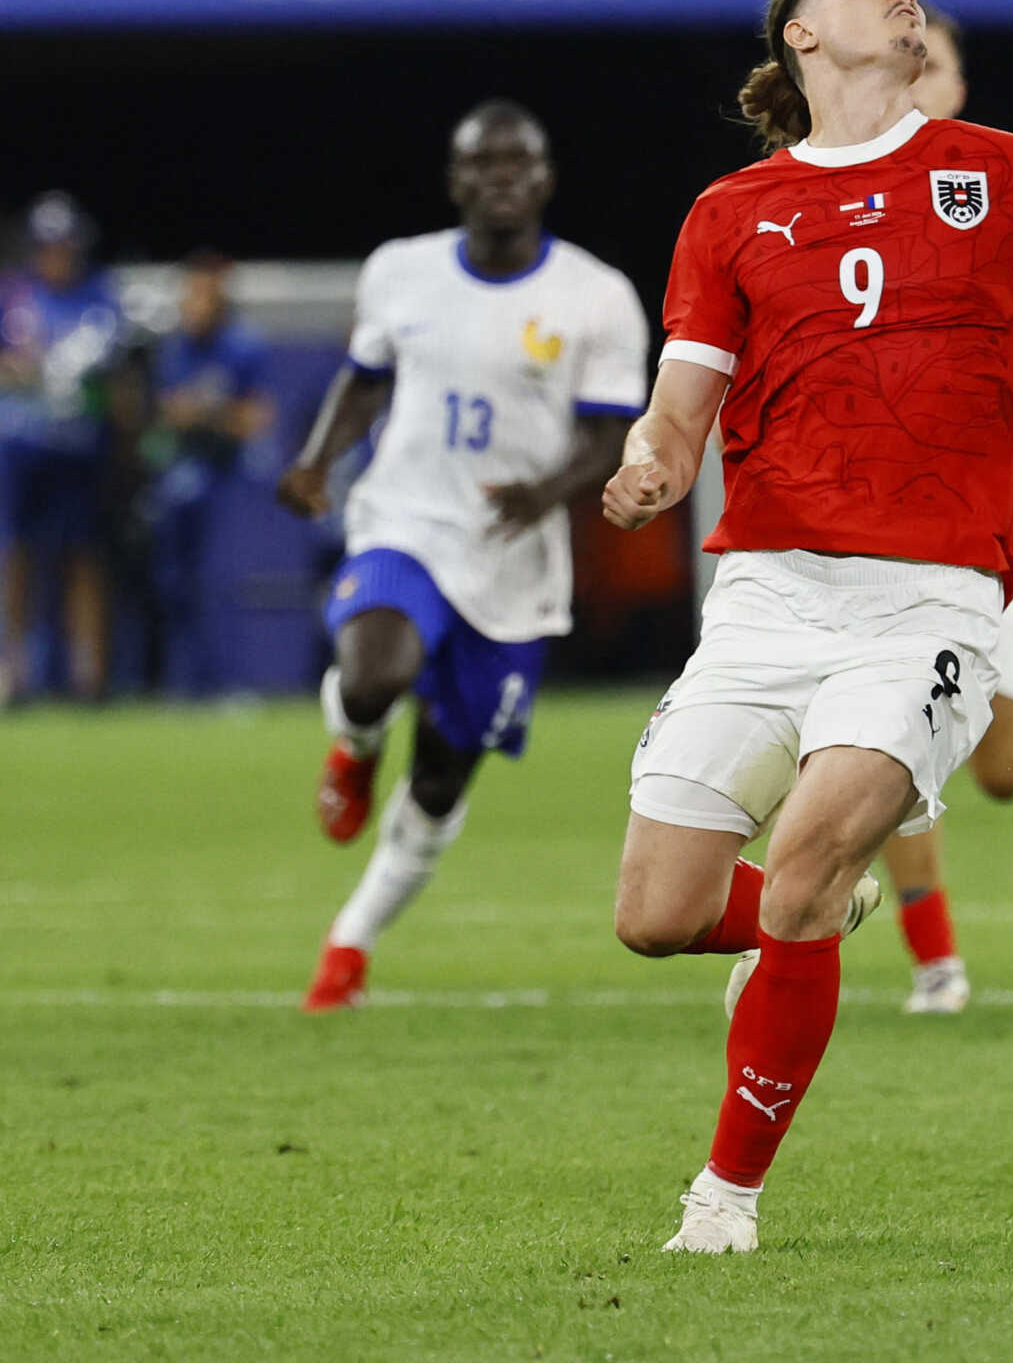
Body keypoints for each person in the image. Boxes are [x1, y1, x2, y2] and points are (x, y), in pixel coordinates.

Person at [603, 0, 1013, 1255]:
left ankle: (724, 1200)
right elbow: (678, 415)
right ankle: (827, 922)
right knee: (655, 916)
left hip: (930, 602)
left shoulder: (1008, 173)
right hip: (765, 598)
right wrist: (648, 470)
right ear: (801, 37)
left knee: (803, 865)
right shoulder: (730, 214)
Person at [277, 103, 651, 1012]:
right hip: (406, 518)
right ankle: (354, 741)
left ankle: (349, 943)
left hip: (513, 560)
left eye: (518, 164)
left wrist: (544, 494)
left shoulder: (596, 295)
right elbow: (366, 380)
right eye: (481, 165)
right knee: (372, 674)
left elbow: (609, 437)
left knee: (442, 776)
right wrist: (319, 459)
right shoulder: (401, 272)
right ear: (455, 180)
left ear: (546, 179)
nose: (501, 180)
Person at [872, 6, 1013, 1017]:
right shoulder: (845, 191)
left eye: (935, 63)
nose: (918, 76)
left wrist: (980, 324)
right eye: (902, 60)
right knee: (890, 737)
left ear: (957, 86)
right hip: (892, 507)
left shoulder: (1000, 185)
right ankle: (934, 962)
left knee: (1003, 770)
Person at [1, 194, 123, 704]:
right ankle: (11, 670)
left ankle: (87, 676)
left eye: (65, 246)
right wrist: (24, 370)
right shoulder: (13, 295)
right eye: (48, 246)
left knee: (83, 559)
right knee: (17, 557)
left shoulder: (101, 296)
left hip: (80, 447)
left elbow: (117, 376)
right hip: (20, 443)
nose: (57, 256)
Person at [149, 252, 275, 695]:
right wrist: (209, 413)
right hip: (185, 473)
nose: (195, 304)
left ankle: (230, 685)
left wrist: (206, 413)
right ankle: (181, 686)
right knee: (176, 583)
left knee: (224, 582)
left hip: (232, 476)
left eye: (204, 294)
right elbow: (169, 413)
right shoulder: (175, 346)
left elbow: (255, 420)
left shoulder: (243, 345)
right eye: (191, 294)